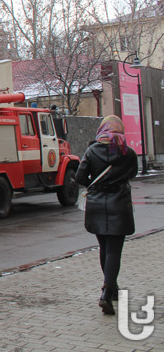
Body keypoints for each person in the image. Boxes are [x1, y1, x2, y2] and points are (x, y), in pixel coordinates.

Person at [75, 115, 137, 315]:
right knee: (114, 250)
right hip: (120, 205)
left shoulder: (91, 151)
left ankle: (111, 287)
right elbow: (133, 174)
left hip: (97, 205)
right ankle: (107, 292)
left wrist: (97, 184)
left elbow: (80, 177)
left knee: (104, 248)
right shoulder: (129, 153)